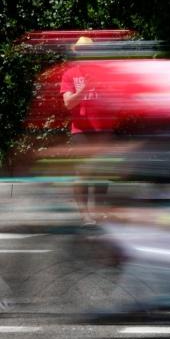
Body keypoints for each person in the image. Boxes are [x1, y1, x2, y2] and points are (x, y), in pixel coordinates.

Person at [60, 36, 113, 224]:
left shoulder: (103, 73)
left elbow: (113, 101)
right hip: (81, 130)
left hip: (103, 129)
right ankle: (85, 214)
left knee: (102, 173)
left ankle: (98, 211)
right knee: (83, 173)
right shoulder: (70, 74)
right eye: (82, 51)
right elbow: (67, 103)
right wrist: (83, 91)